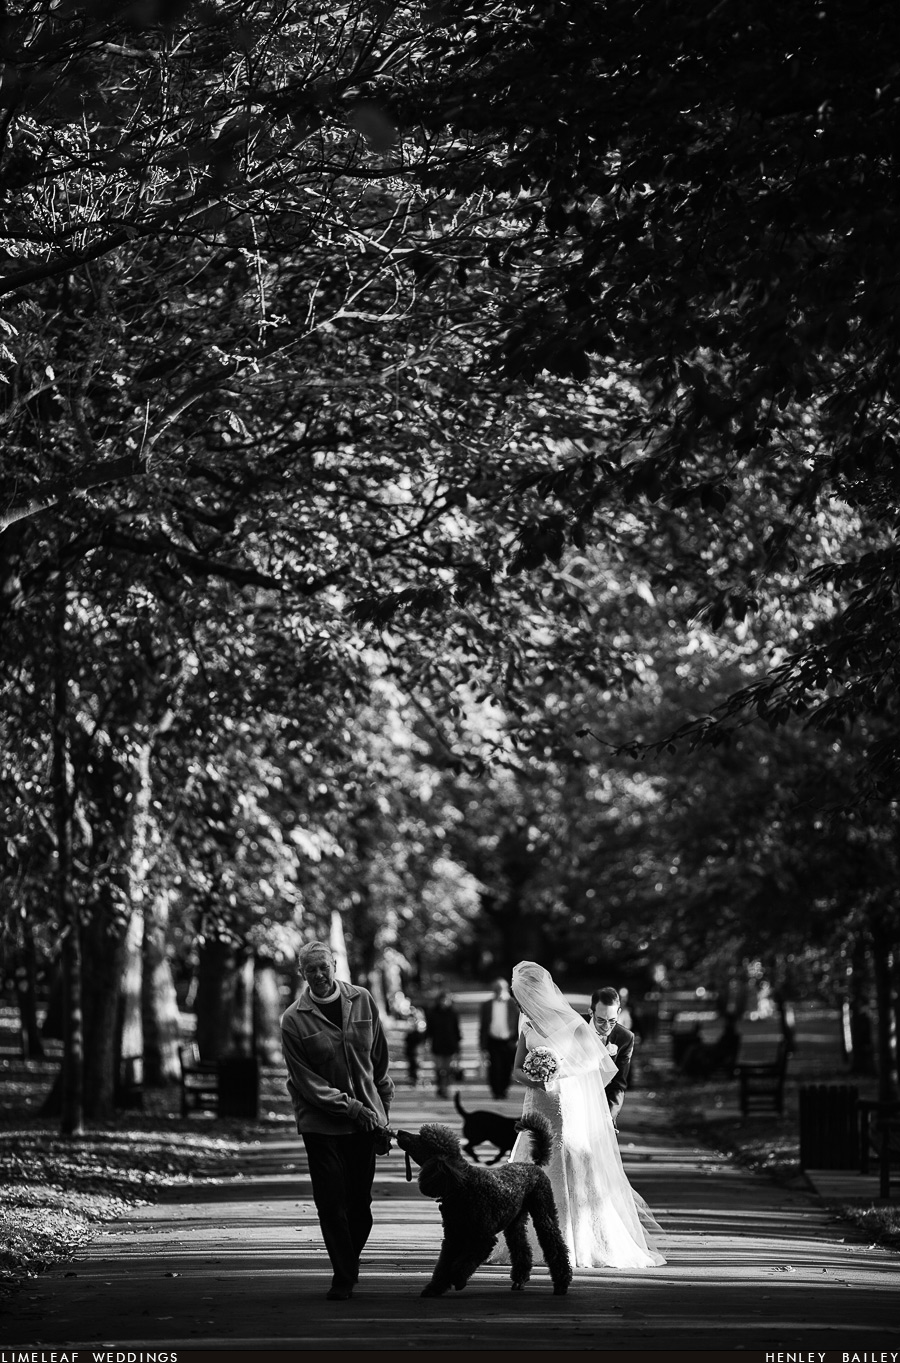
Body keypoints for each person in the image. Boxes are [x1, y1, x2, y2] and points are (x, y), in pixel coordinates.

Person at [499, 961, 665, 1270]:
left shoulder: (571, 1021)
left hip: (565, 1106)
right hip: (536, 1104)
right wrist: (535, 1078)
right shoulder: (526, 1023)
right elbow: (516, 1069)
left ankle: (574, 1240)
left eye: (519, 993)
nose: (517, 998)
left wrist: (558, 1072)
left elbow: (594, 1063)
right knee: (530, 1164)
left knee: (567, 1163)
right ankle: (525, 1241)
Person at [280, 941, 393, 1301]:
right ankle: (343, 1276)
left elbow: (379, 1061)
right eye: (310, 969)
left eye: (323, 967)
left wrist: (381, 1111)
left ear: (335, 966)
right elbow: (305, 1081)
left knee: (360, 1206)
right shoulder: (294, 1019)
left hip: (365, 1122)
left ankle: (347, 1262)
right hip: (321, 1124)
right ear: (302, 973)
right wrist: (351, 1107)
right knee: (331, 1203)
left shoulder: (362, 1000)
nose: (318, 974)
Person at [588, 986, 635, 1131]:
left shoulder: (625, 1038)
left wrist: (608, 1116)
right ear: (591, 1012)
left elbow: (619, 1085)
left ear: (619, 1012)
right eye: (601, 1020)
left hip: (602, 1108)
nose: (606, 1027)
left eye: (612, 1021)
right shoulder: (574, 1027)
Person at [478, 977, 519, 1100]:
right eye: (496, 989)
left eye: (500, 989)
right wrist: (482, 1045)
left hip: (509, 1041)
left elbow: (519, 1022)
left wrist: (517, 1039)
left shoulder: (513, 1004)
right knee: (495, 1067)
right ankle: (496, 1091)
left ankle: (504, 1089)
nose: (498, 991)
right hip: (493, 1040)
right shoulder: (487, 1005)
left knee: (507, 1067)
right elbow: (483, 1025)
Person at [425, 989, 462, 1098]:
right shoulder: (432, 1013)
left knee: (447, 1068)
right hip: (437, 1044)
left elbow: (456, 1030)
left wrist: (458, 1046)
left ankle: (445, 1088)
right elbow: (429, 1030)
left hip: (450, 1044)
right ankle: (440, 1087)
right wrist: (427, 1042)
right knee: (438, 1068)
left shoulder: (453, 1013)